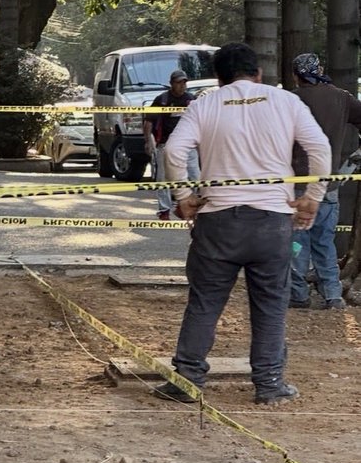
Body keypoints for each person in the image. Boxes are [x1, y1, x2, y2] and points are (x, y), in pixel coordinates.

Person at [156, 42, 330, 407]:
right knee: (270, 304)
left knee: (204, 302)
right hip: (272, 221)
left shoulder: (205, 103)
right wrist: (313, 195)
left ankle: (187, 379)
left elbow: (173, 151)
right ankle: (269, 384)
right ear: (259, 73)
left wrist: (184, 195)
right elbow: (319, 146)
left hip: (217, 220)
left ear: (219, 78)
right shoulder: (285, 101)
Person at [290, 52, 361, 310]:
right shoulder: (343, 98)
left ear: (296, 76)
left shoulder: (291, 99)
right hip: (328, 184)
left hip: (296, 183)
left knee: (296, 242)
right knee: (325, 242)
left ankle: (298, 294)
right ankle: (332, 295)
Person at [142, 69, 199, 219]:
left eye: (184, 82)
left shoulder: (191, 100)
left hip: (189, 146)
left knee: (196, 177)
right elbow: (148, 121)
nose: (182, 86)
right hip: (165, 144)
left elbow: (199, 122)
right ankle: (164, 210)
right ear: (171, 84)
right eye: (179, 82)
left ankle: (193, 205)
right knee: (163, 179)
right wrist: (148, 141)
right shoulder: (162, 99)